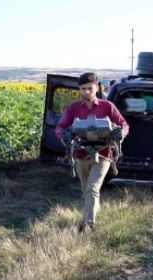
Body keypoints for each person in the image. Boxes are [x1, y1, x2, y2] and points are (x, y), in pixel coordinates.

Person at [55, 72, 129, 232]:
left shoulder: (107, 106)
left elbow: (124, 124)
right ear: (79, 90)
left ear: (97, 87)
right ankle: (93, 211)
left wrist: (120, 133)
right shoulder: (73, 109)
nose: (86, 92)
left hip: (104, 154)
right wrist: (64, 135)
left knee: (92, 189)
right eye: (83, 89)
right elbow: (60, 127)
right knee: (86, 190)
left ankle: (88, 225)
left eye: (89, 88)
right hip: (81, 155)